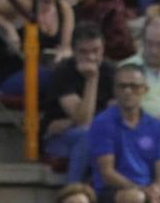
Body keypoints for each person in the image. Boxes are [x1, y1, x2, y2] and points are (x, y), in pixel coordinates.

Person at [89, 63, 160, 203]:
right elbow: (107, 172)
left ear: (144, 90)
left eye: (133, 86)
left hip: (149, 191)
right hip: (110, 192)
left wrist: (157, 190)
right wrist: (143, 190)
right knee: (134, 199)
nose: (128, 91)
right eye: (122, 86)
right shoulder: (102, 123)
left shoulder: (156, 126)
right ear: (115, 90)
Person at [42, 21, 113, 184]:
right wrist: (92, 79)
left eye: (96, 51)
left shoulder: (111, 72)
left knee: (104, 139)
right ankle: (72, 194)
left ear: (103, 49)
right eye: (84, 52)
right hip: (59, 139)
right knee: (87, 136)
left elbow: (115, 117)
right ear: (73, 52)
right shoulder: (63, 72)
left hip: (96, 136)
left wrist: (70, 122)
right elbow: (83, 121)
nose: (91, 57)